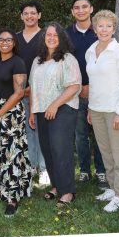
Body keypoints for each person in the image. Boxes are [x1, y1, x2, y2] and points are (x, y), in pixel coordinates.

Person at [28, 22, 81, 207]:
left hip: (63, 109)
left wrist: (54, 105)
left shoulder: (68, 59)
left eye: (55, 35)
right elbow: (33, 87)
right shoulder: (37, 60)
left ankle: (68, 191)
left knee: (61, 149)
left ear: (61, 38)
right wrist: (33, 112)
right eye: (48, 35)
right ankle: (56, 186)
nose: (51, 38)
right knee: (48, 149)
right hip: (41, 110)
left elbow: (74, 86)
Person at [85, 10, 119, 213]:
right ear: (94, 29)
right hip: (96, 109)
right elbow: (93, 83)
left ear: (114, 29)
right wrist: (89, 108)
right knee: (105, 152)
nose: (104, 30)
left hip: (115, 110)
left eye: (108, 26)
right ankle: (112, 189)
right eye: (100, 26)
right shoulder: (90, 50)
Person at [0, 28, 31, 217]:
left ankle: (13, 198)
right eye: (1, 39)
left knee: (12, 153)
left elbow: (19, 93)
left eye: (9, 39)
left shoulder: (18, 62)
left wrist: (0, 113)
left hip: (11, 112)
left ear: (14, 43)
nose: (4, 42)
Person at [66, 0, 107, 189]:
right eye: (76, 7)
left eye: (84, 7)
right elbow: (64, 63)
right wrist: (79, 85)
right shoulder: (66, 34)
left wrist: (91, 86)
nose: (80, 10)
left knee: (99, 134)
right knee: (80, 134)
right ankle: (84, 170)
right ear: (73, 12)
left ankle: (101, 171)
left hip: (99, 92)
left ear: (91, 9)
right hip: (75, 92)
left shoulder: (101, 32)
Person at [16, 1, 48, 188]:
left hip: (42, 93)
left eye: (33, 13)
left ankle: (44, 169)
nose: (29, 16)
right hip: (20, 93)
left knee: (42, 130)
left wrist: (34, 87)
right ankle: (32, 165)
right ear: (21, 16)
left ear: (39, 15)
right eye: (26, 13)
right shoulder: (16, 38)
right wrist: (21, 89)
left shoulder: (47, 36)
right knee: (28, 130)